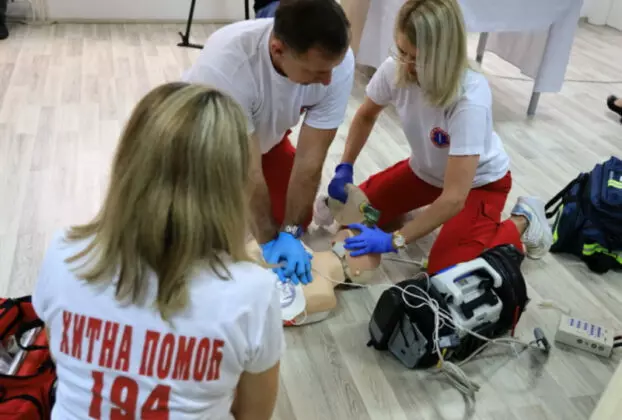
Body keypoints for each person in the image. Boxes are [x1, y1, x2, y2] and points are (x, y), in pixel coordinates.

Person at [32, 82, 284, 420]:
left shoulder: (64, 255)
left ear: (127, 164)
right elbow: (253, 415)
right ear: (233, 184)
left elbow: (62, 360)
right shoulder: (253, 291)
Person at [318, 0, 553, 275]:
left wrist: (395, 240)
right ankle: (409, 213)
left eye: (418, 59)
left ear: (444, 55)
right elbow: (366, 115)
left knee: (449, 272)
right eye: (402, 51)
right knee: (353, 222)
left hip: (479, 184)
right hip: (425, 173)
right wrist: (345, 166)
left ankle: (523, 219)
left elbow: (454, 197)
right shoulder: (396, 67)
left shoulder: (469, 98)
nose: (407, 66)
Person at [182, 0, 355, 286]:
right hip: (203, 142)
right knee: (205, 237)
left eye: (332, 69)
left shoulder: (335, 62)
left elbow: (310, 162)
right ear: (277, 50)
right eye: (315, 72)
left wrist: (290, 233)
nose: (327, 81)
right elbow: (246, 172)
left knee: (293, 220)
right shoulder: (227, 64)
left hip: (265, 139)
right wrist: (267, 242)